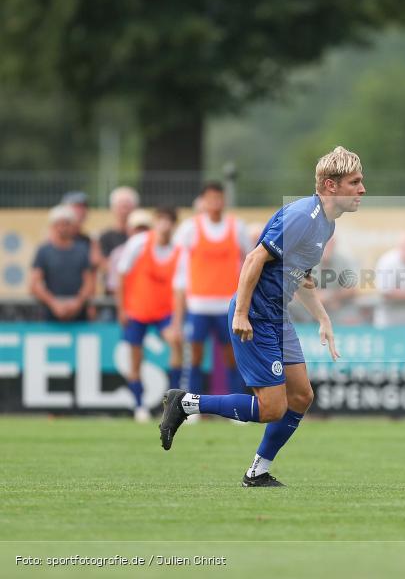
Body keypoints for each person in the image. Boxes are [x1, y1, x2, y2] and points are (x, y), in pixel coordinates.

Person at [159, 146, 365, 488]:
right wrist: (241, 312)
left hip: (276, 316)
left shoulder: (326, 225)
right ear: (331, 186)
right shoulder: (303, 216)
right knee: (271, 407)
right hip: (255, 315)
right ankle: (186, 402)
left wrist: (322, 318)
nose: (362, 189)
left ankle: (257, 472)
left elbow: (302, 278)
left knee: (301, 397)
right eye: (355, 182)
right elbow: (254, 259)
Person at [172, 182, 251, 398]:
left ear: (224, 200)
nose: (215, 202)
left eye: (219, 197)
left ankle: (238, 404)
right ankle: (192, 406)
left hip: (228, 304)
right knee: (195, 357)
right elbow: (180, 270)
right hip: (198, 305)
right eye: (211, 198)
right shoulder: (190, 228)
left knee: (232, 356)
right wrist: (178, 313)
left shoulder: (237, 227)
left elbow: (250, 262)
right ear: (203, 201)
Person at [116, 208, 182, 422]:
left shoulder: (179, 250)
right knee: (135, 359)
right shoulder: (139, 243)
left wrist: (178, 320)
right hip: (138, 310)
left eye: (168, 221)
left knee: (176, 344)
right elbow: (122, 275)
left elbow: (181, 287)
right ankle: (139, 406)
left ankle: (174, 404)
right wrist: (122, 308)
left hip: (164, 311)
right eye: (161, 220)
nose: (164, 225)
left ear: (173, 224)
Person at [30, 205, 95, 322]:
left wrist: (77, 303)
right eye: (59, 224)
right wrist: (53, 303)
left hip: (79, 316)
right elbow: (35, 283)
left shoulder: (83, 250)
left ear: (73, 226)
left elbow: (89, 282)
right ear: (52, 226)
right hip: (50, 315)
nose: (63, 228)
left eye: (66, 224)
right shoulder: (44, 251)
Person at [98, 187, 140, 292]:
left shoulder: (142, 236)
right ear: (113, 208)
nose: (124, 211)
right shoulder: (105, 237)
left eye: (127, 206)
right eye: (121, 206)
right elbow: (104, 265)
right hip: (113, 292)